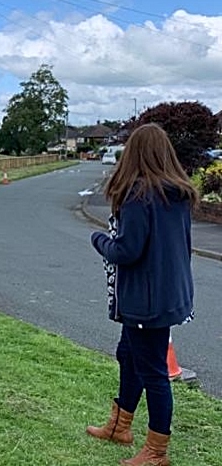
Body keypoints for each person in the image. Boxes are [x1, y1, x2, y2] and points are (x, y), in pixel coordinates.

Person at [88, 123, 198, 466]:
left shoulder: (139, 194)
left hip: (146, 300)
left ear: (133, 154)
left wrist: (98, 240)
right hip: (170, 293)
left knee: (153, 372)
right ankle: (120, 426)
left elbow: (127, 251)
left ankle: (156, 452)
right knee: (127, 355)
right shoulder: (178, 194)